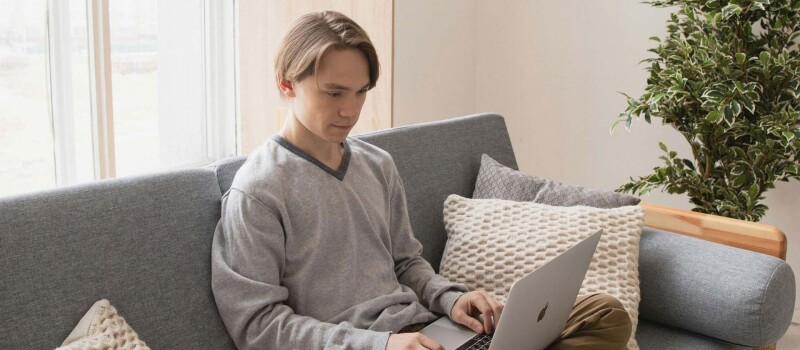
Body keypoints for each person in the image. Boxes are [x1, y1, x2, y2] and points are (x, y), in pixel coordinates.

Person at [211, 10, 632, 350]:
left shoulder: (377, 165)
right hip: (363, 344)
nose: (350, 111)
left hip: (426, 331)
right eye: (334, 93)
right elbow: (258, 326)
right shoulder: (258, 192)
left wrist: (453, 298)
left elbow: (407, 264)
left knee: (604, 314)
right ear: (286, 84)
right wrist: (381, 344)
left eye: (361, 92)